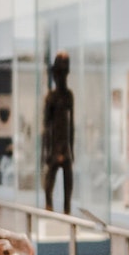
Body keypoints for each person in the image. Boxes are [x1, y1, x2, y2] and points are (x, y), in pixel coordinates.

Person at [42, 51, 75, 214]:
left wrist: (70, 149)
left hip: (65, 146)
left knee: (68, 183)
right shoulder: (51, 97)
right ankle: (49, 207)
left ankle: (66, 210)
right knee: (49, 184)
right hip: (55, 145)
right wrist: (47, 151)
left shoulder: (69, 96)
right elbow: (46, 126)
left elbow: (71, 124)